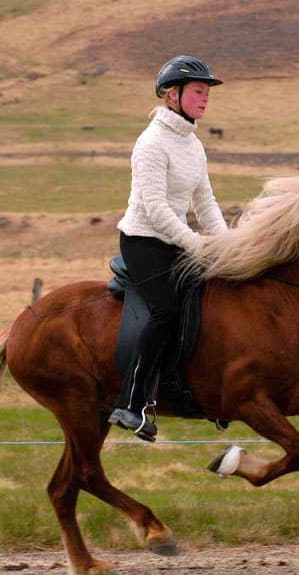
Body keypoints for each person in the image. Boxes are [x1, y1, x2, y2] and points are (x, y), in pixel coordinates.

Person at [109, 55, 228, 441]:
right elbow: (156, 209)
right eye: (199, 91)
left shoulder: (193, 146)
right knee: (167, 312)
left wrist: (227, 246)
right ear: (173, 95)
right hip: (144, 241)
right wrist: (195, 242)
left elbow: (205, 204)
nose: (205, 98)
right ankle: (132, 403)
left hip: (175, 240)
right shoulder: (151, 143)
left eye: (207, 92)